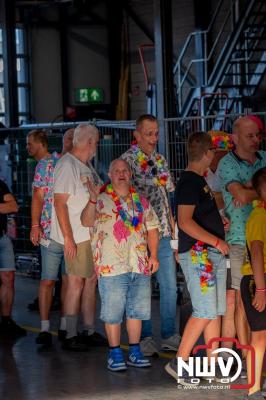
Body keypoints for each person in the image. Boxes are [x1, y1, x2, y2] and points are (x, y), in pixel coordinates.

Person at [81, 159, 160, 371]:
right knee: (113, 312)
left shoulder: (141, 201)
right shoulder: (100, 199)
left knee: (137, 311)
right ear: (110, 174)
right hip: (111, 265)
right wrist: (92, 199)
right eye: (116, 171)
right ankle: (114, 353)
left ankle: (134, 351)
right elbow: (86, 222)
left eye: (125, 170)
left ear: (130, 173)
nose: (121, 174)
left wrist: (153, 256)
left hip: (140, 264)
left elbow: (152, 228)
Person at [165, 132, 229, 385]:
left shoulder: (198, 180)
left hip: (210, 252)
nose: (214, 156)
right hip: (199, 253)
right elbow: (184, 221)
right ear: (207, 154)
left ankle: (213, 365)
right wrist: (215, 239)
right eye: (213, 152)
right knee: (204, 309)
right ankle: (179, 362)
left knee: (213, 311)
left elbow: (198, 217)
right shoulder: (190, 182)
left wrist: (217, 223)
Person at [121, 114, 180, 356]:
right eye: (149, 133)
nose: (154, 138)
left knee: (169, 287)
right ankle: (145, 337)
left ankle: (168, 334)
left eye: (156, 133)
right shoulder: (127, 161)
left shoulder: (160, 160)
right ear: (136, 135)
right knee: (143, 288)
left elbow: (168, 200)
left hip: (164, 232)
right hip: (141, 234)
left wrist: (175, 235)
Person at [51, 124, 107, 351]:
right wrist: (68, 238)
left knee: (89, 281)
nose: (96, 147)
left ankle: (88, 330)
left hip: (89, 234)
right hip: (76, 234)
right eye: (96, 142)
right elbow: (59, 203)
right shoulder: (67, 165)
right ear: (90, 142)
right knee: (76, 282)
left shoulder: (85, 165)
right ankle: (71, 334)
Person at [217, 115, 266, 373]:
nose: (256, 140)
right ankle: (248, 356)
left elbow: (245, 195)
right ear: (235, 138)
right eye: (250, 136)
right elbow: (239, 196)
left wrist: (249, 189)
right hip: (238, 239)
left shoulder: (264, 157)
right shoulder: (226, 164)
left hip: (264, 236)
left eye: (258, 135)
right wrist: (256, 189)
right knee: (242, 296)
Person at [30, 128, 74, 346]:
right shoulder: (47, 165)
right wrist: (35, 225)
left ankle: (66, 326)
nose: (71, 143)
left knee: (68, 281)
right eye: (68, 139)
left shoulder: (80, 167)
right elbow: (38, 196)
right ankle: (45, 327)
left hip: (73, 235)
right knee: (48, 280)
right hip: (49, 232)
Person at [241, 167, 266, 400]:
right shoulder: (259, 216)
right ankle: (253, 388)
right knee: (259, 335)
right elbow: (256, 253)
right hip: (256, 280)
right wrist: (260, 289)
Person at [0, 179, 26, 337]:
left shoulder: (0, 184)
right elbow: (7, 205)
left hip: (2, 238)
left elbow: (13, 206)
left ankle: (6, 320)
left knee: (8, 277)